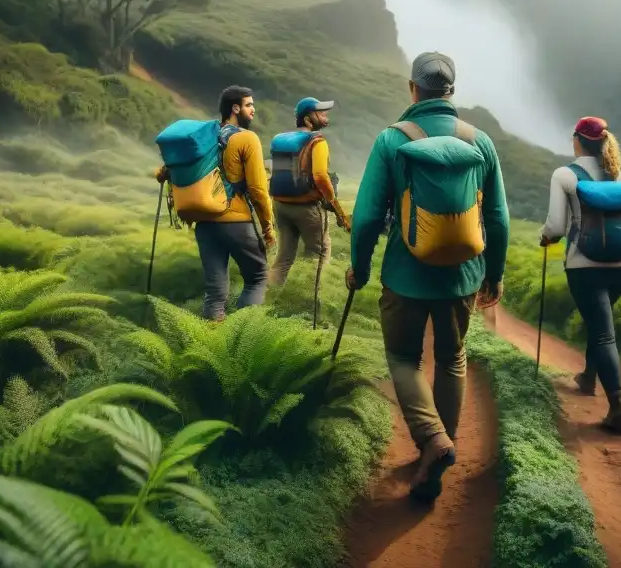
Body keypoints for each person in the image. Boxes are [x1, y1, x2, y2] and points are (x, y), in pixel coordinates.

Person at [346, 51, 510, 503]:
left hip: (405, 275)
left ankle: (433, 441)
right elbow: (497, 218)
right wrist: (493, 273)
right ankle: (438, 455)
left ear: (412, 89)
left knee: (403, 358)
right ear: (451, 92)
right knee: (453, 358)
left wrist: (359, 269)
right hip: (462, 279)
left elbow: (364, 220)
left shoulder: (391, 140)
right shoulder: (480, 141)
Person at [539, 116, 621, 433]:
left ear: (577, 140)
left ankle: (618, 405)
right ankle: (588, 377)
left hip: (585, 266)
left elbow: (557, 227)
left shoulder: (565, 175)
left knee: (601, 331)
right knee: (599, 320)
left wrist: (545, 237)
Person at [192, 85, 276, 321]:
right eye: (249, 105)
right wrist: (268, 227)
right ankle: (243, 336)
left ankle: (213, 342)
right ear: (235, 108)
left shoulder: (204, 138)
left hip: (205, 223)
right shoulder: (247, 138)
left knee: (215, 293)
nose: (253, 110)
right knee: (257, 277)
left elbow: (166, 171)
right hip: (236, 221)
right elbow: (259, 190)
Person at [268, 97, 350, 287]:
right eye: (320, 113)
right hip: (307, 207)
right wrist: (335, 205)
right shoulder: (317, 142)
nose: (325, 115)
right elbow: (320, 176)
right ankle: (308, 303)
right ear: (307, 119)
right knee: (319, 254)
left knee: (284, 257)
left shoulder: (280, 140)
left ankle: (269, 297)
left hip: (280, 205)